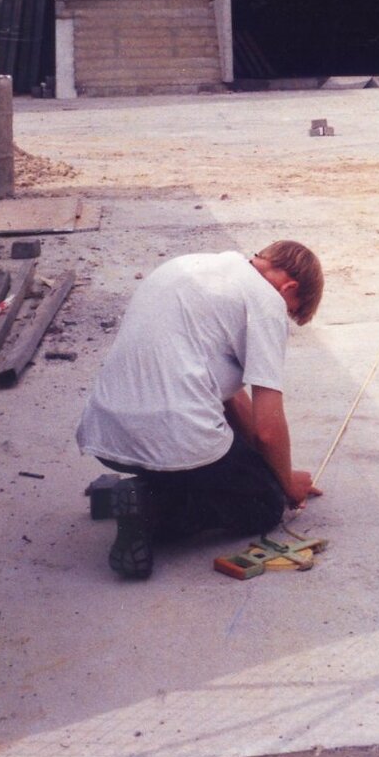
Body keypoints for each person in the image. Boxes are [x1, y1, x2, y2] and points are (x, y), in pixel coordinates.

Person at [76, 241, 324, 580]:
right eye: (290, 310)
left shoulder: (191, 265)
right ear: (289, 287)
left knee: (229, 463)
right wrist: (284, 483)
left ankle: (137, 492)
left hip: (107, 434)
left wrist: (261, 467)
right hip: (174, 436)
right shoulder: (266, 303)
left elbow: (232, 399)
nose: (284, 316)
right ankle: (152, 508)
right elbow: (267, 429)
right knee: (264, 504)